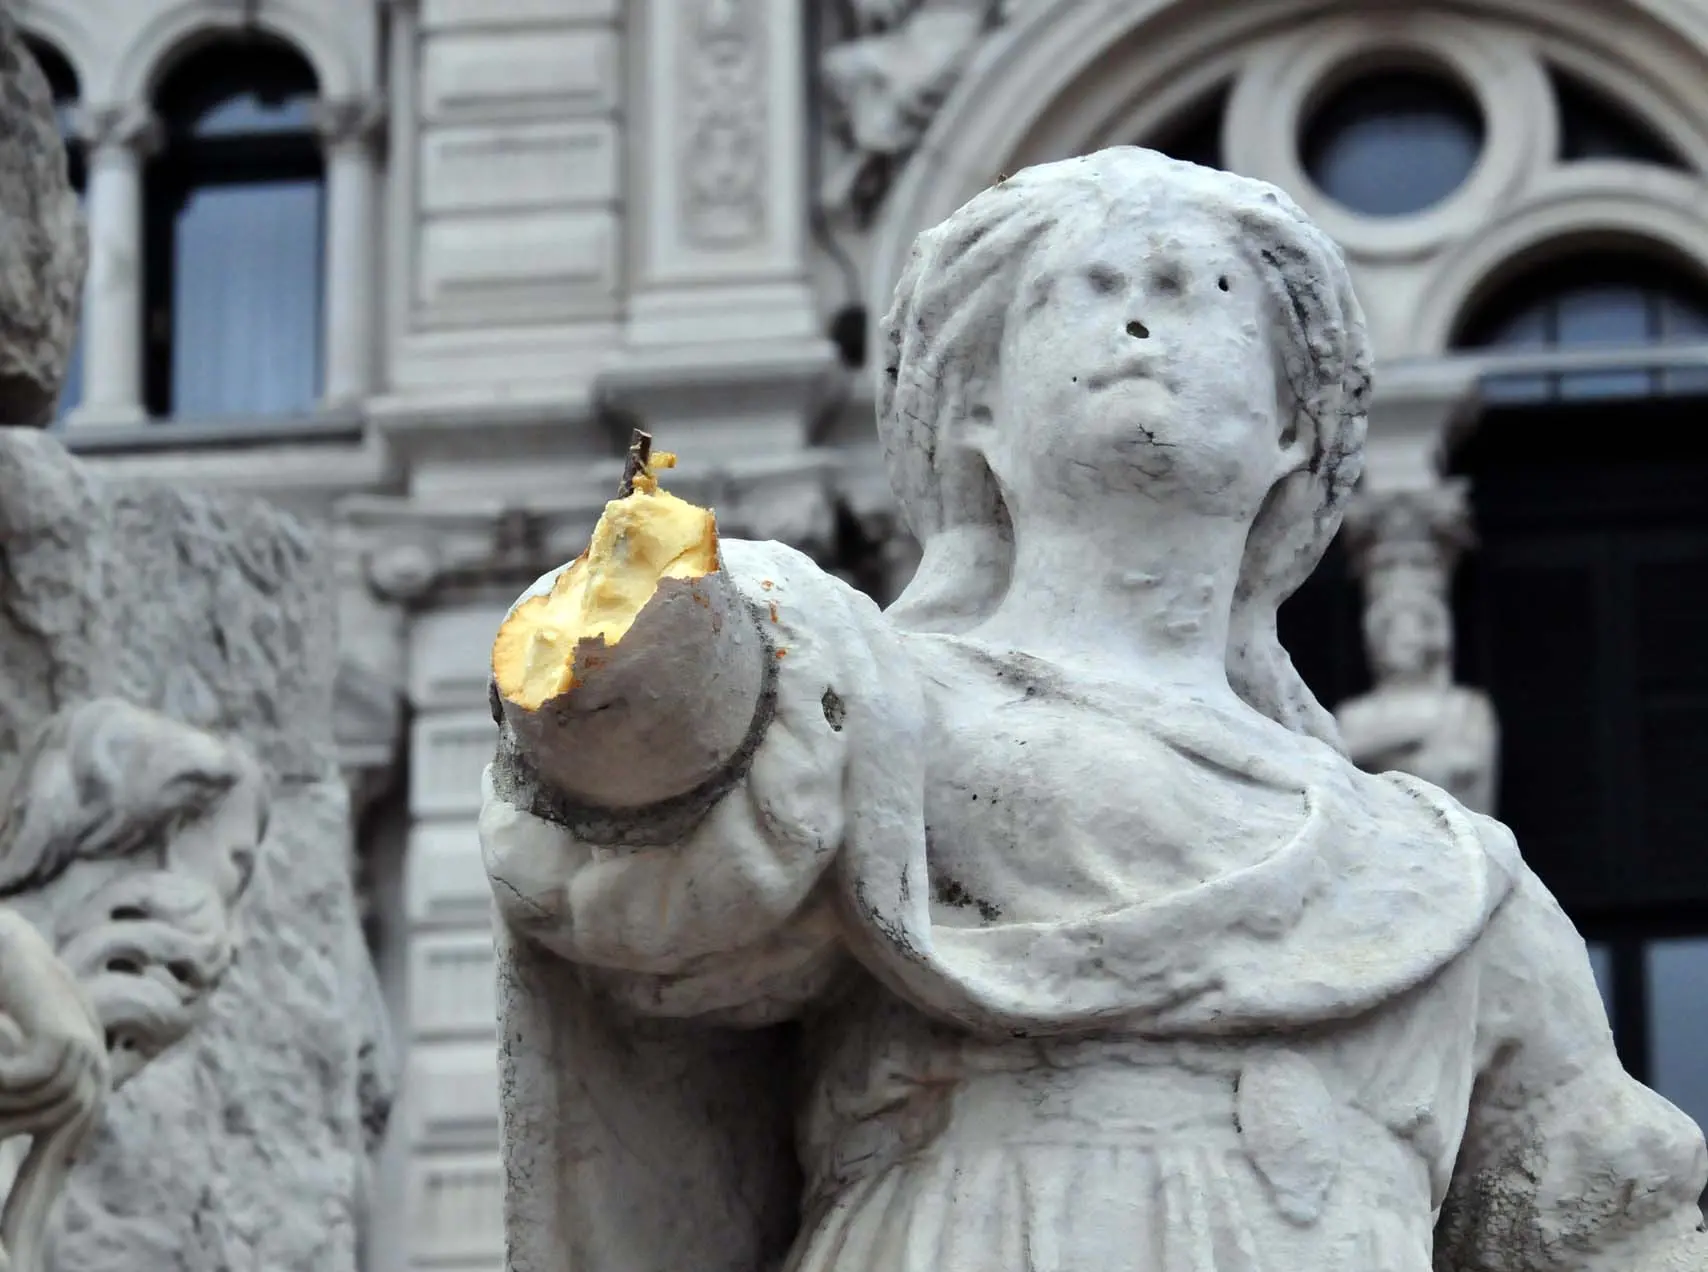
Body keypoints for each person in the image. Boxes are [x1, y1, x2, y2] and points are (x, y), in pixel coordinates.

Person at [482, 148, 1708, 1271]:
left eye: (1197, 293)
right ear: (973, 409)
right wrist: (647, 626)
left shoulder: (1444, 880)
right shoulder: (858, 701)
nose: (1139, 319)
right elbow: (645, 840)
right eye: (1084, 290)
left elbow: (1606, 1215)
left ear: (1293, 423)